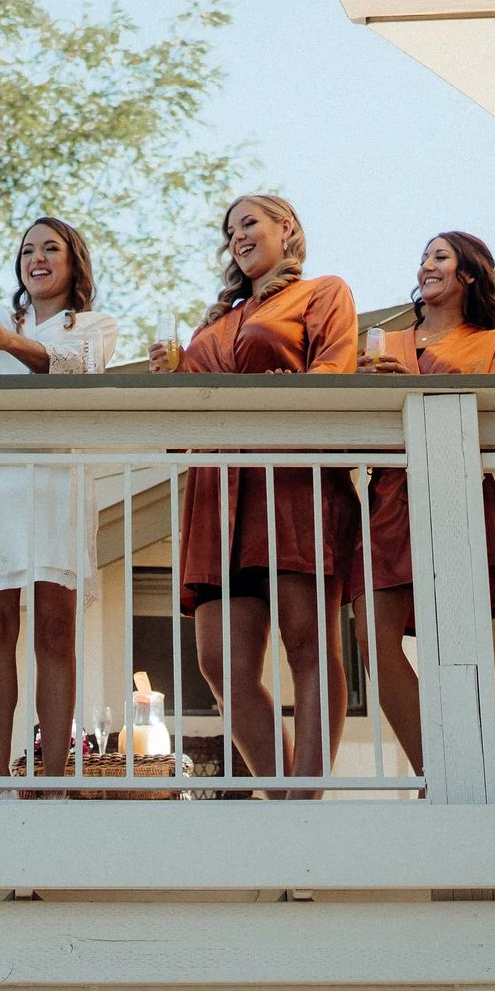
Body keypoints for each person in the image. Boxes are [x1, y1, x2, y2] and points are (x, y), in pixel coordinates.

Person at [148, 194, 358, 790]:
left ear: (285, 228)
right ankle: (281, 792)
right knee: (221, 665)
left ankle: (308, 793)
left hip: (291, 482)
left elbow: (334, 375)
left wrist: (286, 395)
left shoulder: (322, 292)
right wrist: (174, 381)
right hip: (218, 498)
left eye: (249, 223)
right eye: (230, 230)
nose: (237, 237)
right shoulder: (211, 326)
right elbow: (184, 424)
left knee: (308, 644)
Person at [0, 218, 118, 783]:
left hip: (56, 482)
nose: (37, 258)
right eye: (27, 250)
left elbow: (74, 369)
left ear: (73, 261)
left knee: (56, 630)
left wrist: (8, 341)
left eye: (50, 248)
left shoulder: (93, 324)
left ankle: (54, 776)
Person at [354, 231, 495, 774]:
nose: (426, 264)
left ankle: (458, 777)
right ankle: (438, 769)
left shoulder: (493, 346)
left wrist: (422, 391)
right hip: (388, 496)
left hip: (458, 492)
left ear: (468, 274)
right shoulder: (383, 343)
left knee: (456, 645)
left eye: (440, 257)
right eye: (424, 256)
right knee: (373, 641)